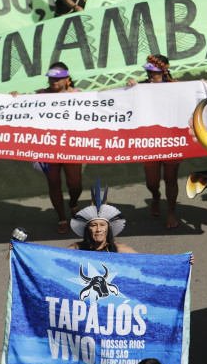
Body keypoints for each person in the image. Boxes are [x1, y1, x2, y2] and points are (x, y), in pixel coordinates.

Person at [126, 55, 182, 229]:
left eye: (153, 72)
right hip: (149, 141)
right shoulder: (140, 87)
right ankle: (156, 196)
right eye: (148, 71)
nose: (149, 74)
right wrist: (129, 87)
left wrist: (201, 85)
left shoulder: (176, 86)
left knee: (171, 178)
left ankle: (171, 212)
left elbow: (193, 96)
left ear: (164, 71)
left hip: (171, 140)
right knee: (151, 182)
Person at [35, 63, 83, 234]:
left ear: (67, 79)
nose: (54, 81)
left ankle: (73, 203)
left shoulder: (78, 95)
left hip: (72, 146)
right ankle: (62, 217)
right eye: (51, 78)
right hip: (48, 147)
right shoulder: (40, 95)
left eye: (58, 78)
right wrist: (15, 97)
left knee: (75, 185)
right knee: (54, 183)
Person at [67, 181, 137, 254]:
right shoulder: (76, 249)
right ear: (87, 229)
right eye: (93, 225)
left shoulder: (120, 250)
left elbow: (145, 262)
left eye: (102, 225)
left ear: (108, 228)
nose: (98, 229)